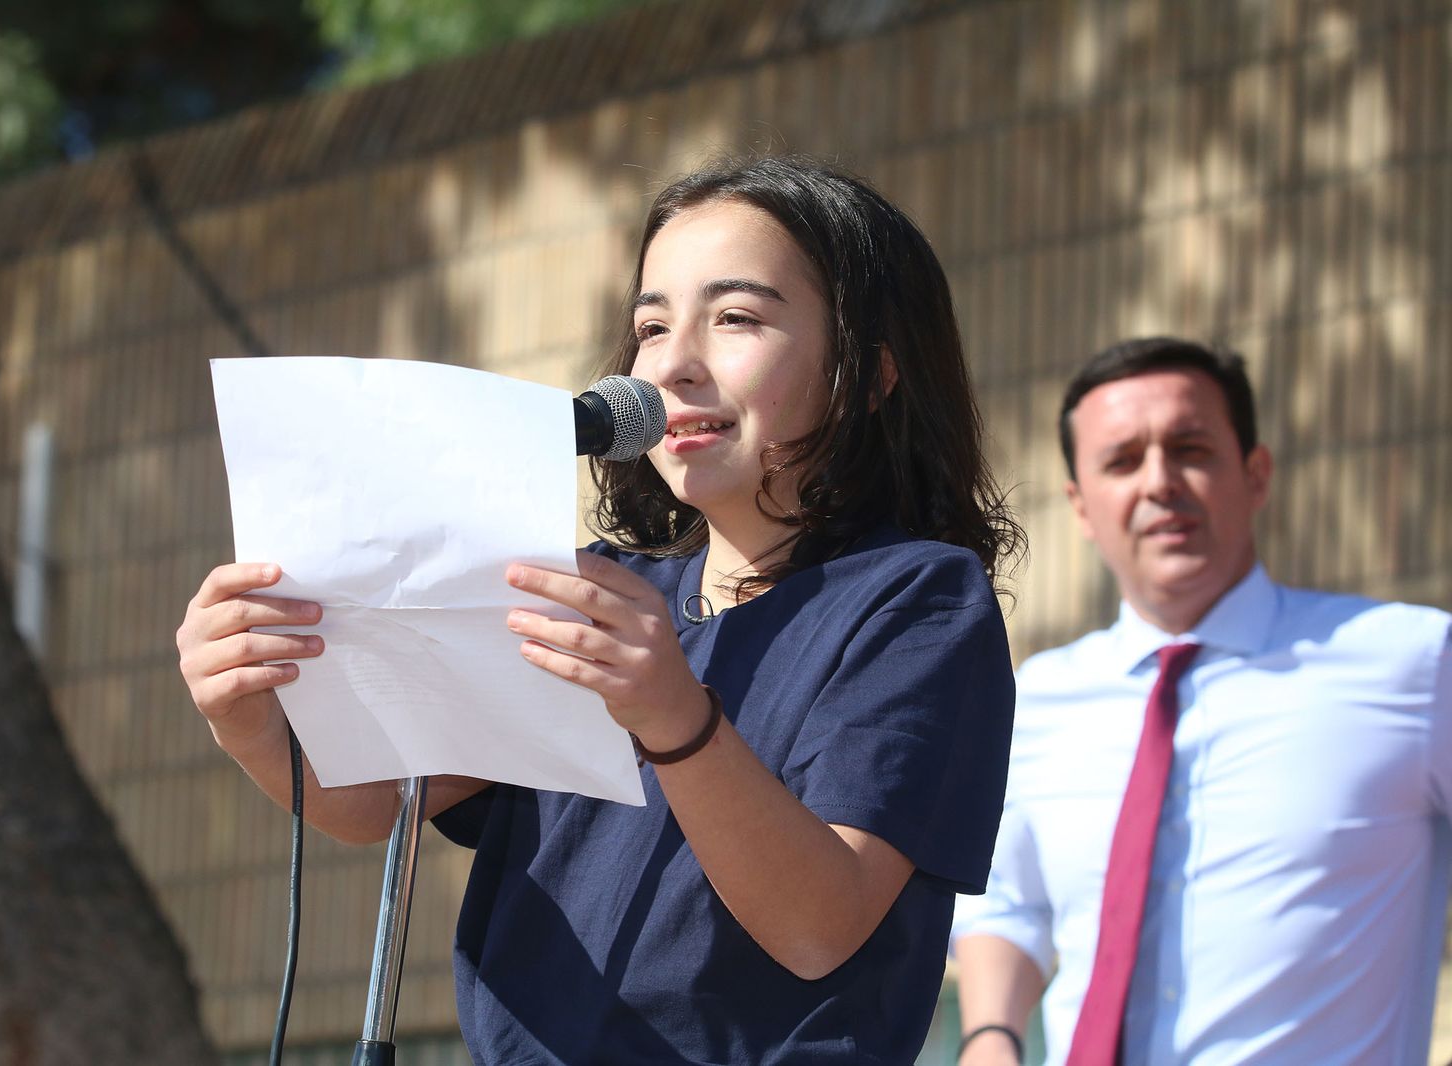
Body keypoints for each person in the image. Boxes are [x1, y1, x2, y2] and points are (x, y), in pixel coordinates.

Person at [176, 155, 1023, 1064]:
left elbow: (822, 925)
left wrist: (674, 717)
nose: (675, 366)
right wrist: (248, 719)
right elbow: (383, 806)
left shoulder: (917, 600)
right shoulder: (599, 592)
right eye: (650, 327)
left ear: (869, 373)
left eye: (735, 318)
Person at [951, 337, 1452, 1065]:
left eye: (1191, 449)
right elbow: (1010, 901)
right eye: (1122, 461)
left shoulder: (1415, 661)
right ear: (1082, 506)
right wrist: (990, 1037)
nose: (1159, 482)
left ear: (1256, 475)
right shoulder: (1037, 698)